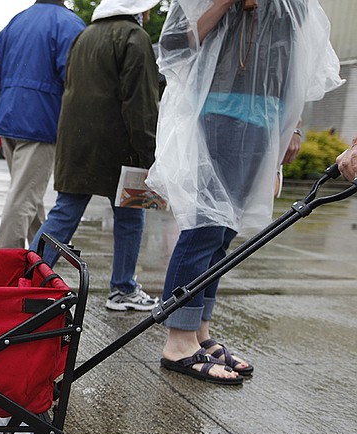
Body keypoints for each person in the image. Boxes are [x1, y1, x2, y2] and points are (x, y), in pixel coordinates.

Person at [146, 0, 342, 384]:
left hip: (267, 118)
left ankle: (199, 329)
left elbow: (297, 59)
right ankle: (179, 339)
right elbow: (172, 45)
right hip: (216, 112)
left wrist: (293, 125)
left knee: (224, 230)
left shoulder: (294, 4)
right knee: (204, 223)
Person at [30, 0, 161, 312]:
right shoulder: (134, 37)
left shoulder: (85, 35)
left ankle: (28, 274)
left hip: (76, 142)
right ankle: (123, 288)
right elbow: (140, 103)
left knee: (64, 213)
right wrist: (151, 153)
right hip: (119, 145)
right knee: (130, 214)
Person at [0, 0, 84, 250]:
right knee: (22, 201)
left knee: (27, 196)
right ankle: (3, 267)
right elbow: (75, 80)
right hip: (42, 122)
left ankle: (41, 260)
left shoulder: (15, 22)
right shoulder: (70, 25)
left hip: (9, 118)